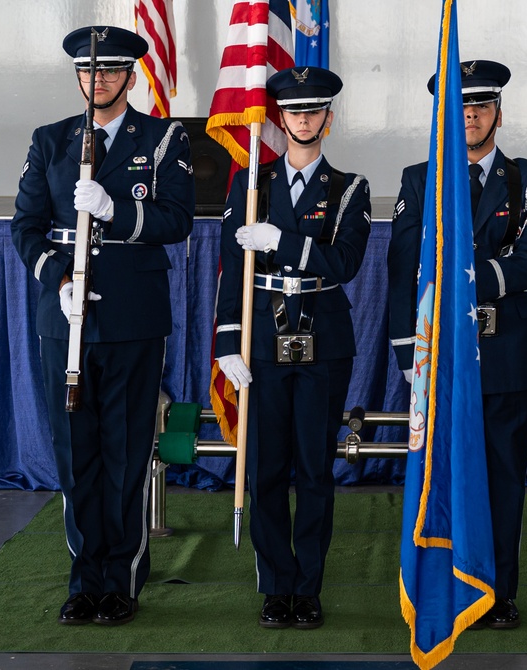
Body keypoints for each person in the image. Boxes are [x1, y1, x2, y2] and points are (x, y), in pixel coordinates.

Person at [10, 25, 195, 626]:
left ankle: (122, 579)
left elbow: (177, 220)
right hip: (65, 319)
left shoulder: (163, 138)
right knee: (75, 451)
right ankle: (84, 577)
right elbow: (26, 226)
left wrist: (118, 210)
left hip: (134, 317)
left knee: (125, 450)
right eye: (90, 72)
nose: (99, 81)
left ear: (132, 76)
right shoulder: (50, 141)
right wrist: (59, 279)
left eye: (111, 71)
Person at [387, 60, 527, 629]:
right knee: (446, 475)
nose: (472, 115)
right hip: (441, 355)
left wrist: (460, 274)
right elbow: (404, 269)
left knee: (504, 477)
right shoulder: (420, 179)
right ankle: (450, 583)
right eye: (460, 107)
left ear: (498, 114)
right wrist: (407, 353)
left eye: (482, 106)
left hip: (507, 349)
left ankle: (498, 590)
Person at [213, 67, 371, 629]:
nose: (303, 119)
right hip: (260, 336)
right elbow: (234, 267)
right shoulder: (250, 182)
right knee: (266, 469)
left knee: (314, 469)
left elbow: (345, 262)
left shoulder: (350, 188)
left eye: (314, 111)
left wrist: (284, 241)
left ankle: (309, 587)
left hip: (323, 337)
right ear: (280, 117)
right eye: (293, 111)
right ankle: (276, 584)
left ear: (328, 118)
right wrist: (229, 340)